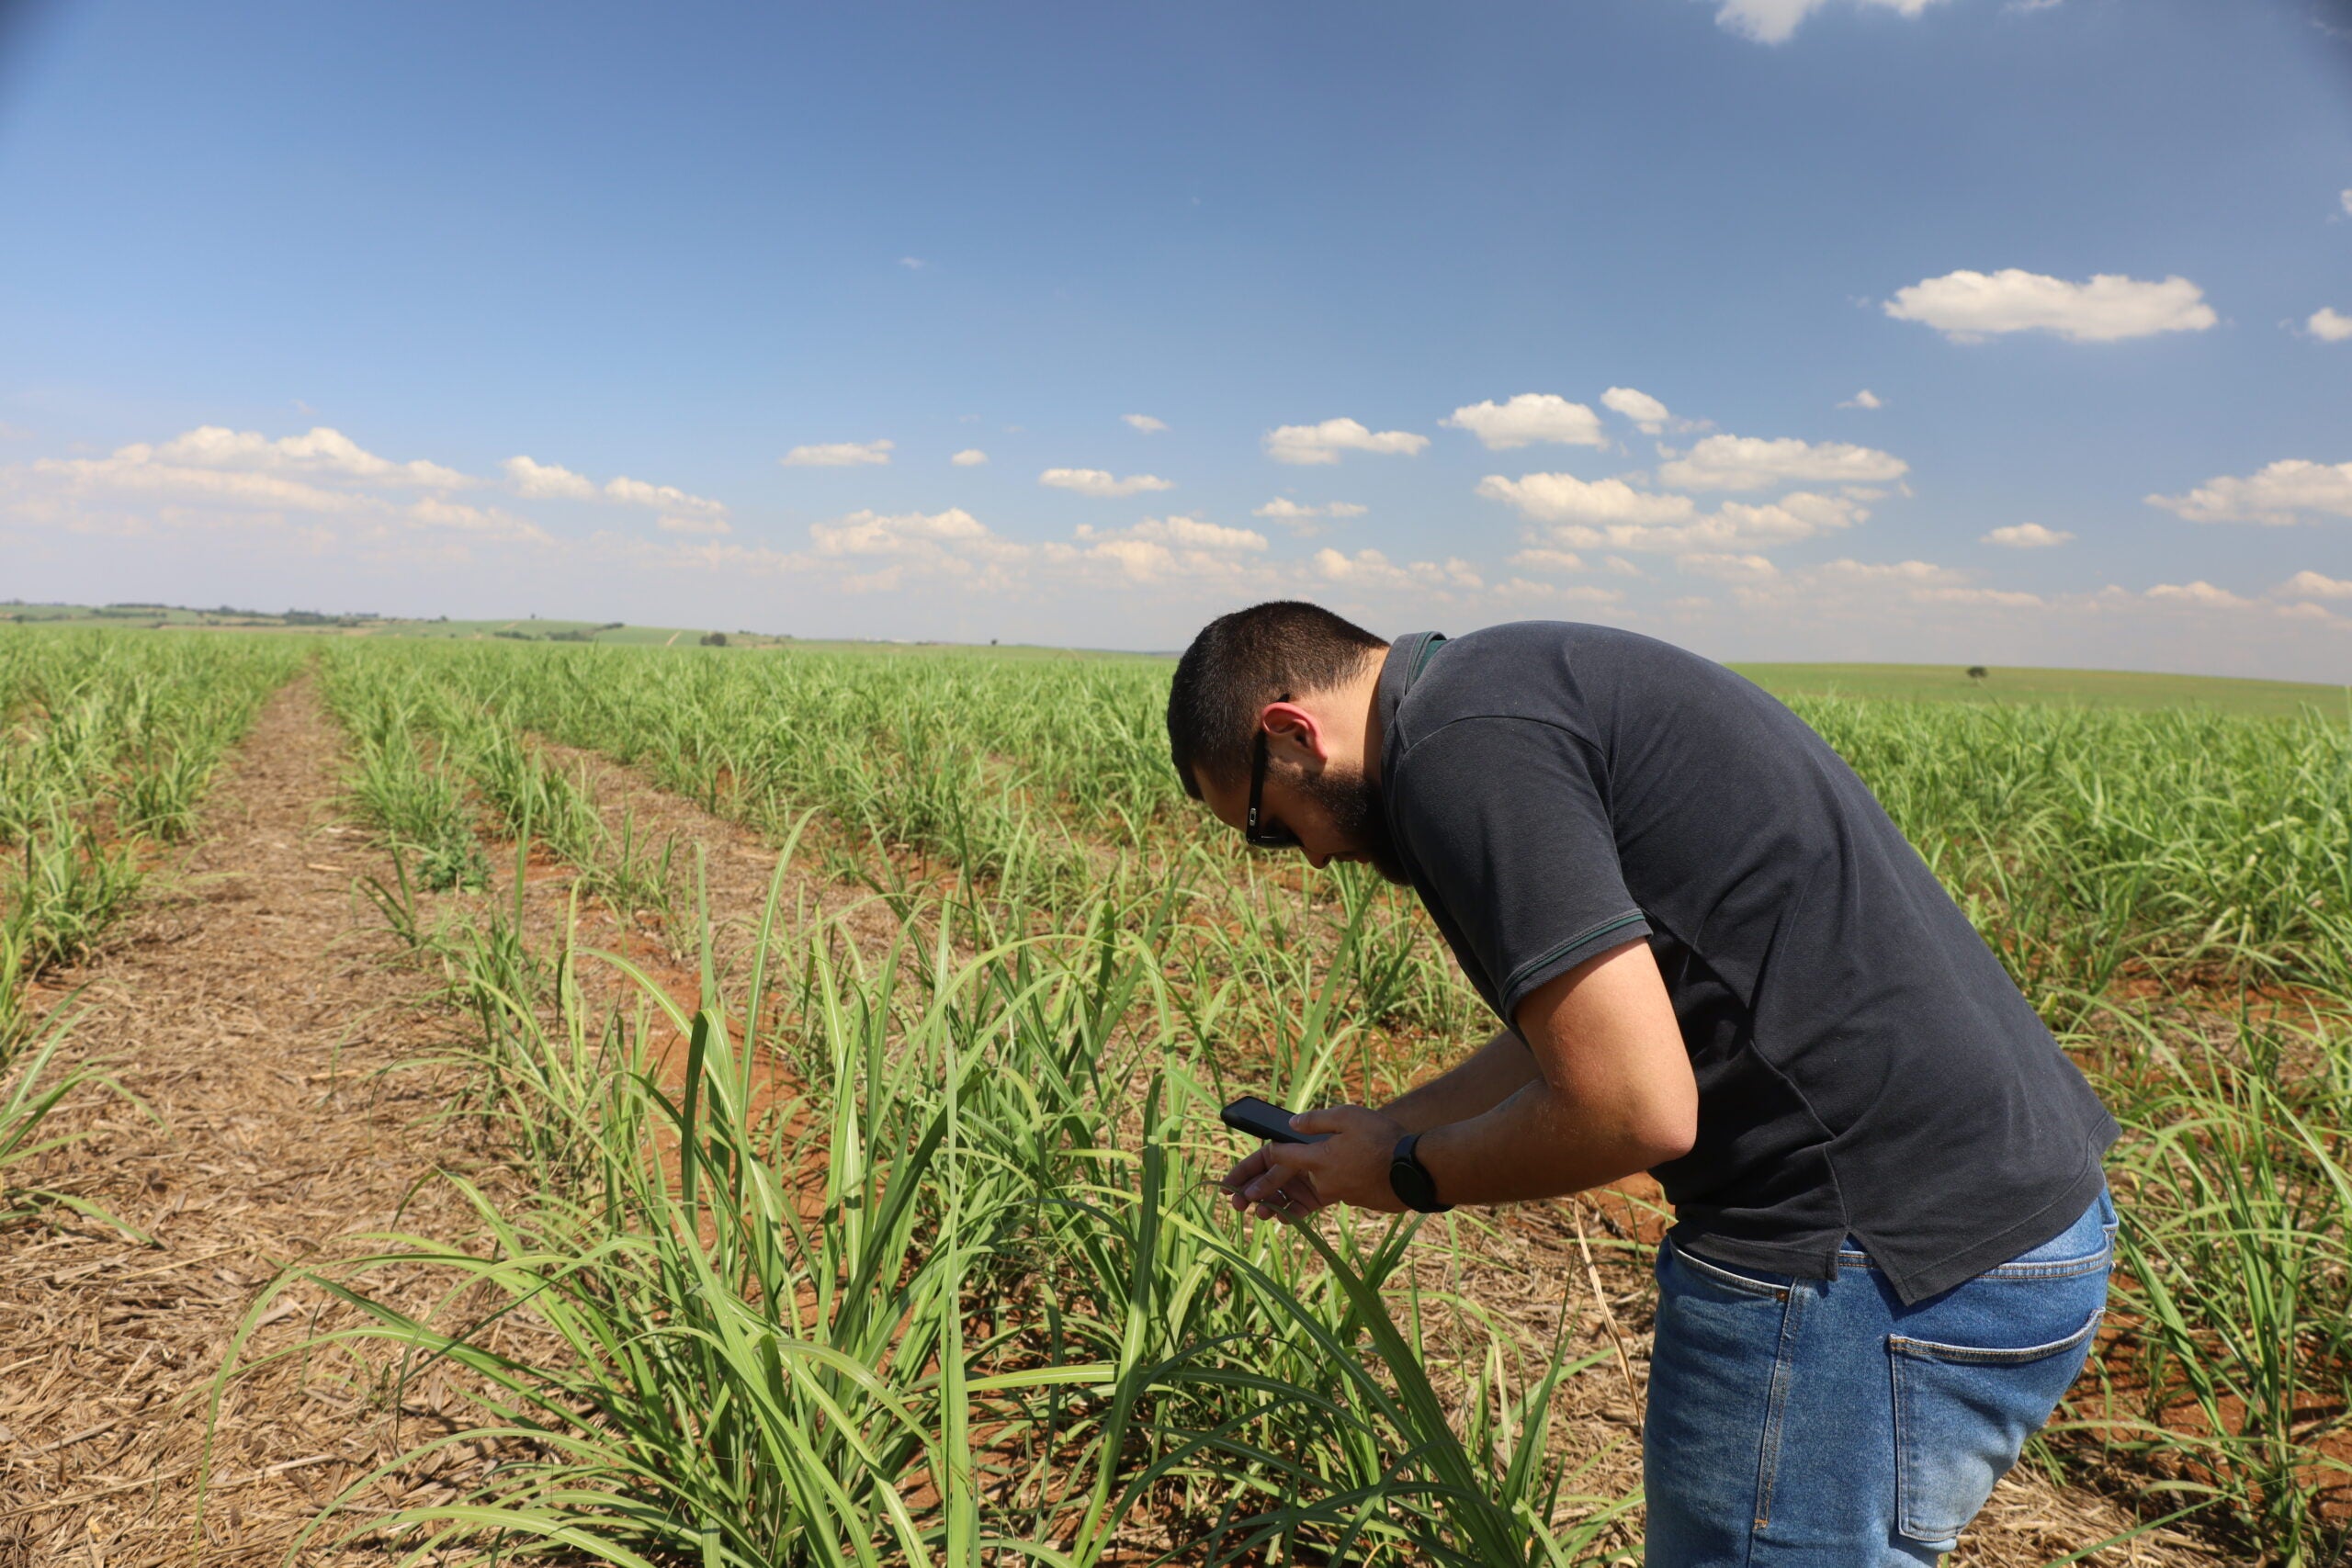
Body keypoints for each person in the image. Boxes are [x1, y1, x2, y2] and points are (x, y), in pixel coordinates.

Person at [1167, 601, 2120, 1568]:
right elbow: (1594, 1022)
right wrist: (1385, 1127)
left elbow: (1631, 1104)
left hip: (1862, 1268)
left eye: (1268, 826)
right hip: (2012, 1222)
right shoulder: (1510, 683)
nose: (1314, 858)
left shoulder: (1457, 751)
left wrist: (1408, 1173)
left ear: (1289, 735)